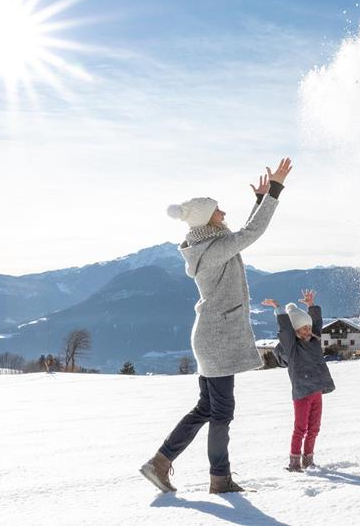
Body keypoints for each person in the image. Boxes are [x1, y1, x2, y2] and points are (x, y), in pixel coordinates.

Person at [140, 158, 293, 494]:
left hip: (210, 335)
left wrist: (260, 200)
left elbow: (240, 234)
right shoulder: (215, 248)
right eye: (218, 210)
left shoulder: (208, 245)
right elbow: (250, 234)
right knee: (221, 412)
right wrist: (276, 190)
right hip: (217, 338)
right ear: (207, 219)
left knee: (208, 408)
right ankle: (220, 480)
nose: (224, 213)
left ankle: (159, 463)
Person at [261, 289, 336, 472]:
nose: (308, 330)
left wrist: (311, 306)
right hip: (302, 392)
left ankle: (308, 460)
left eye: (308, 327)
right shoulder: (292, 348)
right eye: (304, 328)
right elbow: (285, 330)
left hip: (316, 390)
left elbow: (317, 323)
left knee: (314, 428)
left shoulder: (314, 340)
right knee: (300, 429)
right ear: (296, 331)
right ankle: (294, 463)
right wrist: (278, 308)